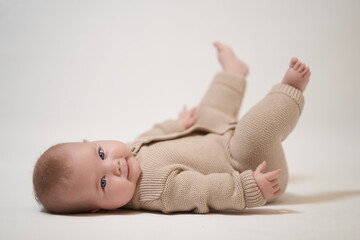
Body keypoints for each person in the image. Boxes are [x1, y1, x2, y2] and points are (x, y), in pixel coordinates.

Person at [33, 42, 311, 214]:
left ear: (92, 141)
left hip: (213, 135)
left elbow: (152, 134)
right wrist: (248, 187)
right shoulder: (156, 190)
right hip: (245, 164)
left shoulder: (129, 153)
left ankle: (233, 74)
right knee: (254, 131)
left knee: (208, 112)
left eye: (101, 154)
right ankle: (289, 91)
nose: (114, 166)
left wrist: (177, 125)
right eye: (103, 183)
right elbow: (203, 191)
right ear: (97, 209)